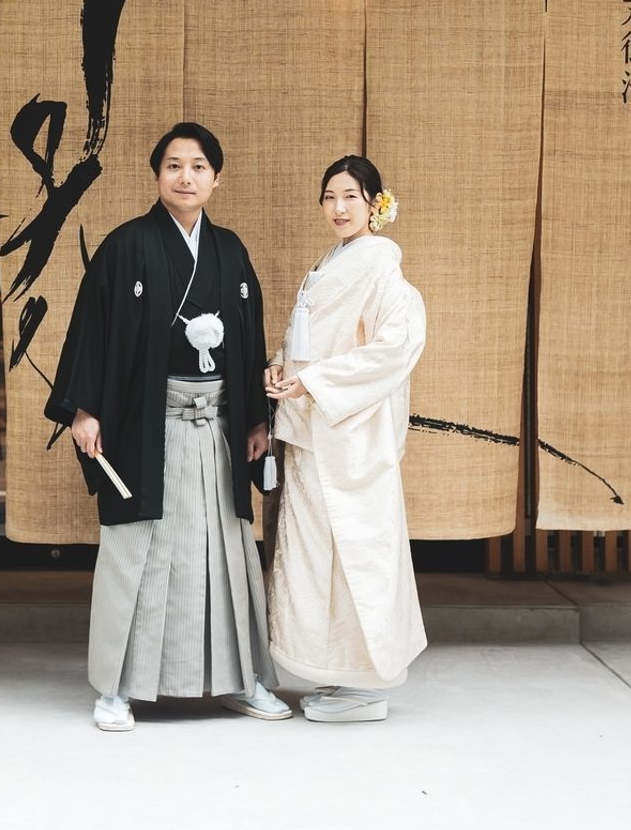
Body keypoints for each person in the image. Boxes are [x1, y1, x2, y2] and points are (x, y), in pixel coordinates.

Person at [44, 121, 288, 732]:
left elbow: (250, 337)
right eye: (174, 165)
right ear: (157, 175)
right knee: (140, 553)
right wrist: (84, 409)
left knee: (223, 553)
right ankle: (118, 688)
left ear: (216, 178)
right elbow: (92, 330)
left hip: (219, 430)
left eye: (199, 166)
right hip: (145, 427)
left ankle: (241, 679)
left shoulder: (230, 251)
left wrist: (256, 420)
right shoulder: (126, 246)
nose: (186, 176)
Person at [264, 155, 427, 723]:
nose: (338, 208)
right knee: (315, 557)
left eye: (351, 197)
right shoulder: (327, 264)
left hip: (350, 435)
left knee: (359, 552)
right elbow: (307, 339)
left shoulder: (382, 270)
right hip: (313, 431)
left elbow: (394, 350)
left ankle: (370, 681)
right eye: (330, 196)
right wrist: (282, 365)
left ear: (375, 204)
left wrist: (314, 381)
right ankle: (335, 671)